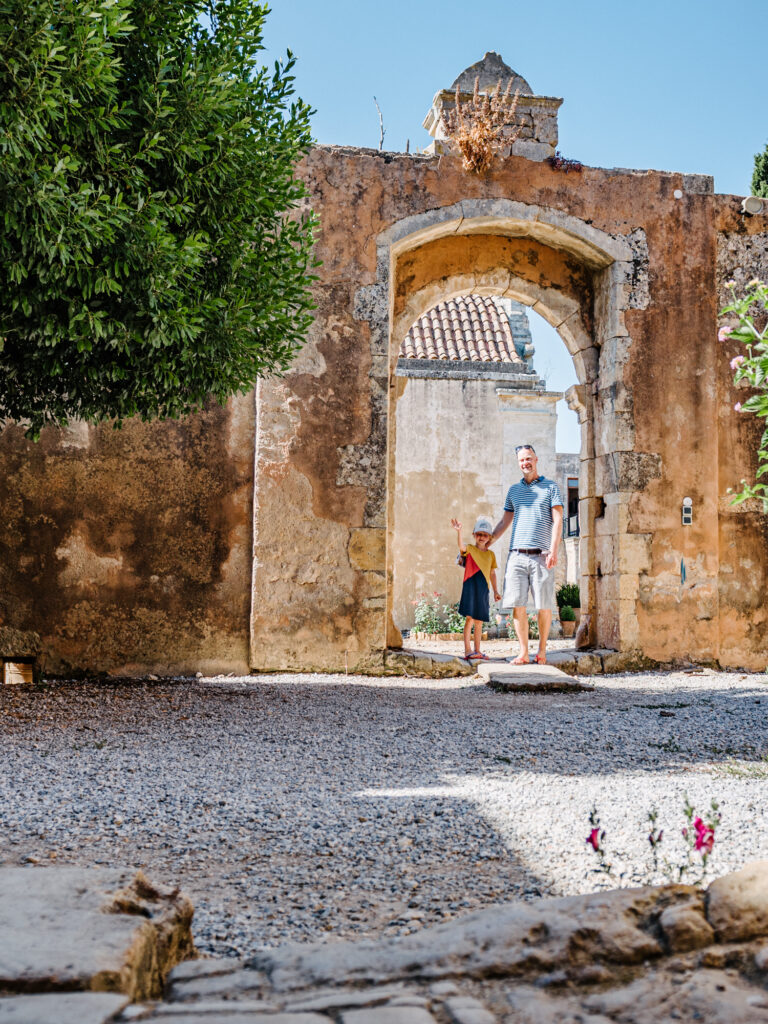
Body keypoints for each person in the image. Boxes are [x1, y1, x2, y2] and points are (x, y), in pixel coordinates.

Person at [491, 445, 563, 665]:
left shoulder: (551, 487)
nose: (525, 463)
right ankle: (523, 652)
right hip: (516, 556)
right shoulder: (514, 490)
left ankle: (541, 651)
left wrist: (553, 550)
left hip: (541, 555)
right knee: (517, 605)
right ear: (518, 463)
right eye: (522, 460)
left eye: (529, 459)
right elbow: (505, 521)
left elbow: (558, 519)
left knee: (543, 605)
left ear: (536, 459)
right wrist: (489, 541)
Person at [450, 516, 501, 661]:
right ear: (474, 535)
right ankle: (468, 650)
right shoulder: (470, 549)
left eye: (485, 535)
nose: (482, 537)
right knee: (469, 620)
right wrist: (459, 532)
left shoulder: (491, 555)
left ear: (489, 537)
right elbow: (461, 547)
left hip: (484, 589)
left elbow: (492, 573)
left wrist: (496, 591)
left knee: (479, 621)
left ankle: (478, 650)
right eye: (479, 534)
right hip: (470, 587)